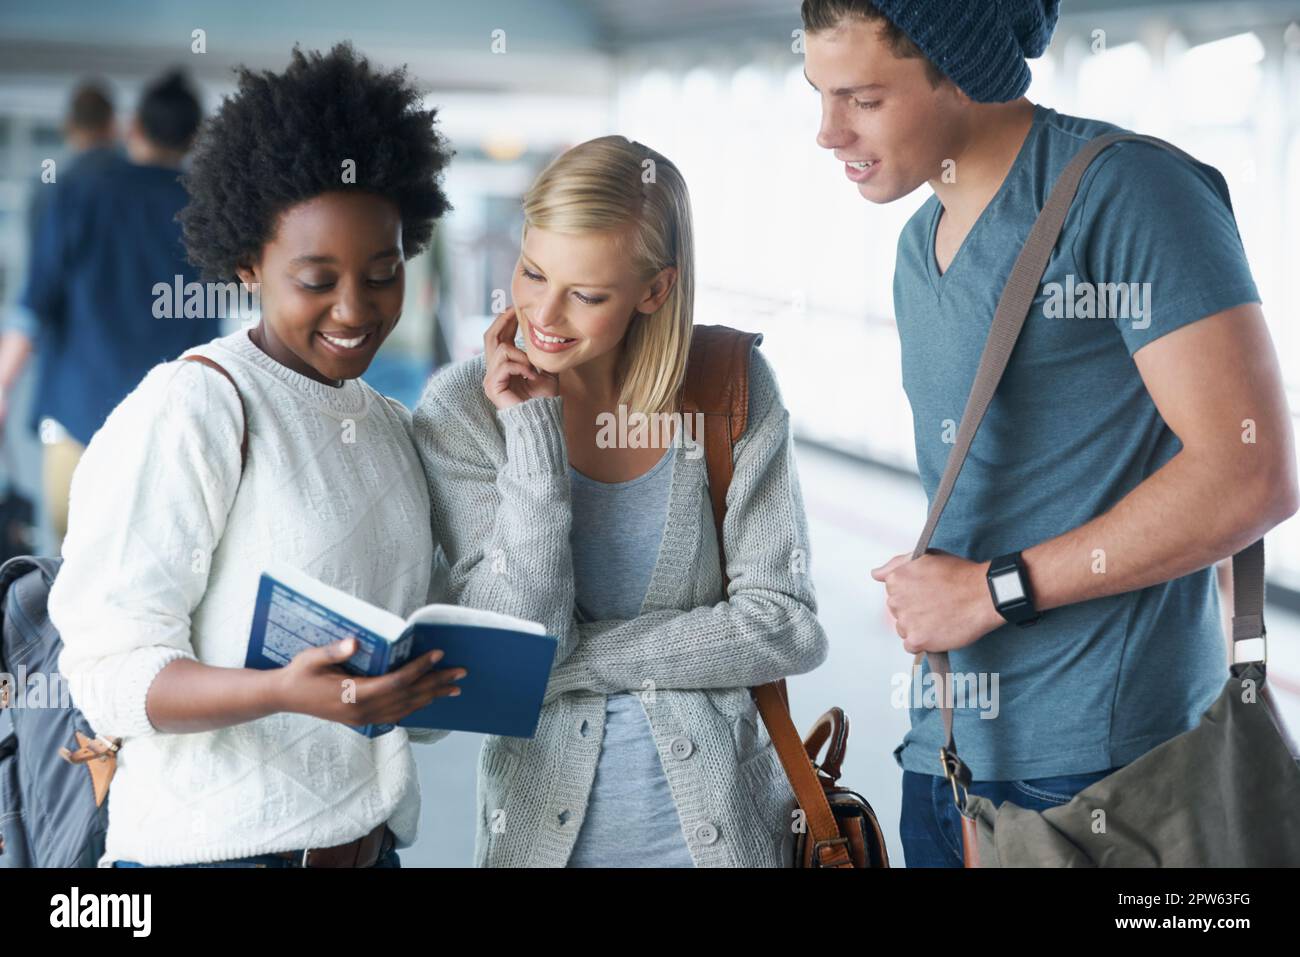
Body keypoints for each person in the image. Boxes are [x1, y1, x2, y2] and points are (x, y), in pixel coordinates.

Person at [800, 0, 1298, 866]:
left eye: (863, 99)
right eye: (819, 94)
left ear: (961, 69)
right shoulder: (921, 244)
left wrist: (994, 590)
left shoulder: (1128, 193)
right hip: (946, 759)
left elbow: (1252, 472)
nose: (827, 131)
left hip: (1113, 777)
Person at [50, 42, 463, 868]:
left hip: (367, 849)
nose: (357, 307)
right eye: (317, 279)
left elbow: (419, 686)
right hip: (214, 854)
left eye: (382, 273)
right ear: (249, 266)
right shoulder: (196, 407)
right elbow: (106, 675)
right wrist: (280, 691)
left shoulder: (387, 422)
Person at [414, 135, 828, 867]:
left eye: (587, 293)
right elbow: (520, 635)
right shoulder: (463, 412)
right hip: (544, 840)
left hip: (725, 838)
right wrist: (532, 432)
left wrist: (575, 663)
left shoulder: (729, 386)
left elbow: (785, 625)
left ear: (655, 290)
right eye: (533, 271)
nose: (543, 312)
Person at [4, 70, 219, 551]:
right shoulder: (207, 214)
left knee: (68, 566)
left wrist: (1, 386)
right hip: (162, 435)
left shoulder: (78, 191)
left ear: (132, 127)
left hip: (74, 419)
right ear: (195, 138)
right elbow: (211, 342)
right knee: (148, 568)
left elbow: (33, 305)